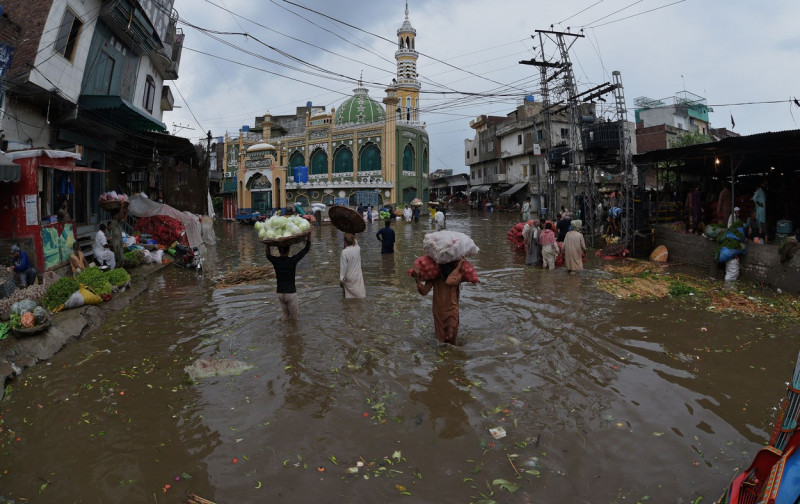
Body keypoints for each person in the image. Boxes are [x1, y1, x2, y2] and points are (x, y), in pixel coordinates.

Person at [414, 258, 464, 346]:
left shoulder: (457, 275)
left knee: (451, 337)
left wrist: (458, 267)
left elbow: (449, 281)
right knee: (441, 341)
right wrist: (417, 278)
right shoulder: (435, 276)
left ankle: (452, 358)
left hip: (452, 311)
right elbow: (424, 291)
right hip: (438, 312)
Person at [266, 235, 312, 321]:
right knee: (294, 319)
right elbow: (306, 249)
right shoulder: (292, 261)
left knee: (285, 316)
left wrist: (267, 244)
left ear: (279, 251)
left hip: (280, 293)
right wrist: (309, 236)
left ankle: (283, 333)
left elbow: (268, 255)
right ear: (288, 250)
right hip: (290, 293)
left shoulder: (276, 261)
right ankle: (292, 333)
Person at [339, 233, 365, 298]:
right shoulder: (357, 248)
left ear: (345, 241)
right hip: (358, 275)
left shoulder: (344, 252)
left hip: (349, 277)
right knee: (360, 296)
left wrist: (341, 279)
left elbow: (343, 267)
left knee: (348, 297)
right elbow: (355, 241)